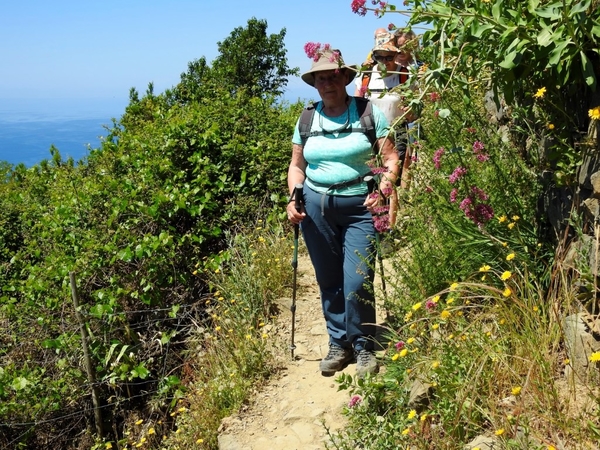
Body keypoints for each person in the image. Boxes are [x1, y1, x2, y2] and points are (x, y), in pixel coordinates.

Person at [287, 48, 399, 378]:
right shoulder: (307, 118)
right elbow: (296, 165)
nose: (327, 82)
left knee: (357, 278)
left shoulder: (367, 113)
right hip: (316, 208)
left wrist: (384, 190)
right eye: (321, 78)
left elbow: (391, 160)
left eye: (333, 76)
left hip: (360, 207)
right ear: (314, 83)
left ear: (345, 78)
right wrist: (293, 198)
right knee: (329, 279)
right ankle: (339, 343)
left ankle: (363, 344)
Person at [355, 30, 421, 225]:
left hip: (396, 133)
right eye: (379, 56)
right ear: (373, 55)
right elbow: (357, 103)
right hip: (370, 134)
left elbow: (414, 110)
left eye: (389, 56)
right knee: (373, 179)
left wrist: (408, 110)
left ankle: (388, 228)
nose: (384, 61)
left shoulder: (405, 75)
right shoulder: (366, 76)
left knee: (389, 180)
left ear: (396, 54)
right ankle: (375, 223)